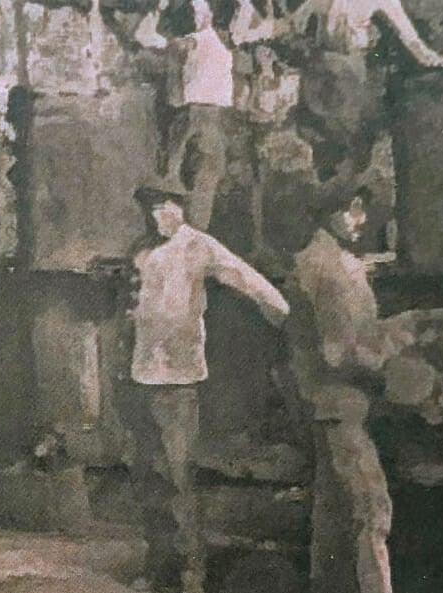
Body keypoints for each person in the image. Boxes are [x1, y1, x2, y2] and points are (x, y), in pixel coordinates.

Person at [120, 185, 289, 592]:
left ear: (180, 207)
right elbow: (134, 300)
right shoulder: (142, 251)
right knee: (149, 479)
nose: (157, 216)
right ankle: (158, 567)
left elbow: (244, 276)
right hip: (142, 376)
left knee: (181, 478)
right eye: (151, 208)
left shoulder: (199, 246)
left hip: (180, 382)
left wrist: (284, 312)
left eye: (165, 207)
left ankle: (190, 570)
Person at [284, 185, 443, 593]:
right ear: (328, 212)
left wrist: (402, 326)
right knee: (371, 510)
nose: (360, 219)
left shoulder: (334, 262)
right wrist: (403, 370)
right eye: (351, 209)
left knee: (333, 522)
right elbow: (341, 353)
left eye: (361, 210)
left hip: (333, 404)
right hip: (340, 404)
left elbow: (357, 334)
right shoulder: (326, 268)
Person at [136, 0, 235, 231]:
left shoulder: (187, 45)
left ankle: (181, 236)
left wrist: (158, 9)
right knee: (201, 189)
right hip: (214, 119)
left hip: (193, 116)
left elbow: (143, 36)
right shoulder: (218, 43)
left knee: (175, 184)